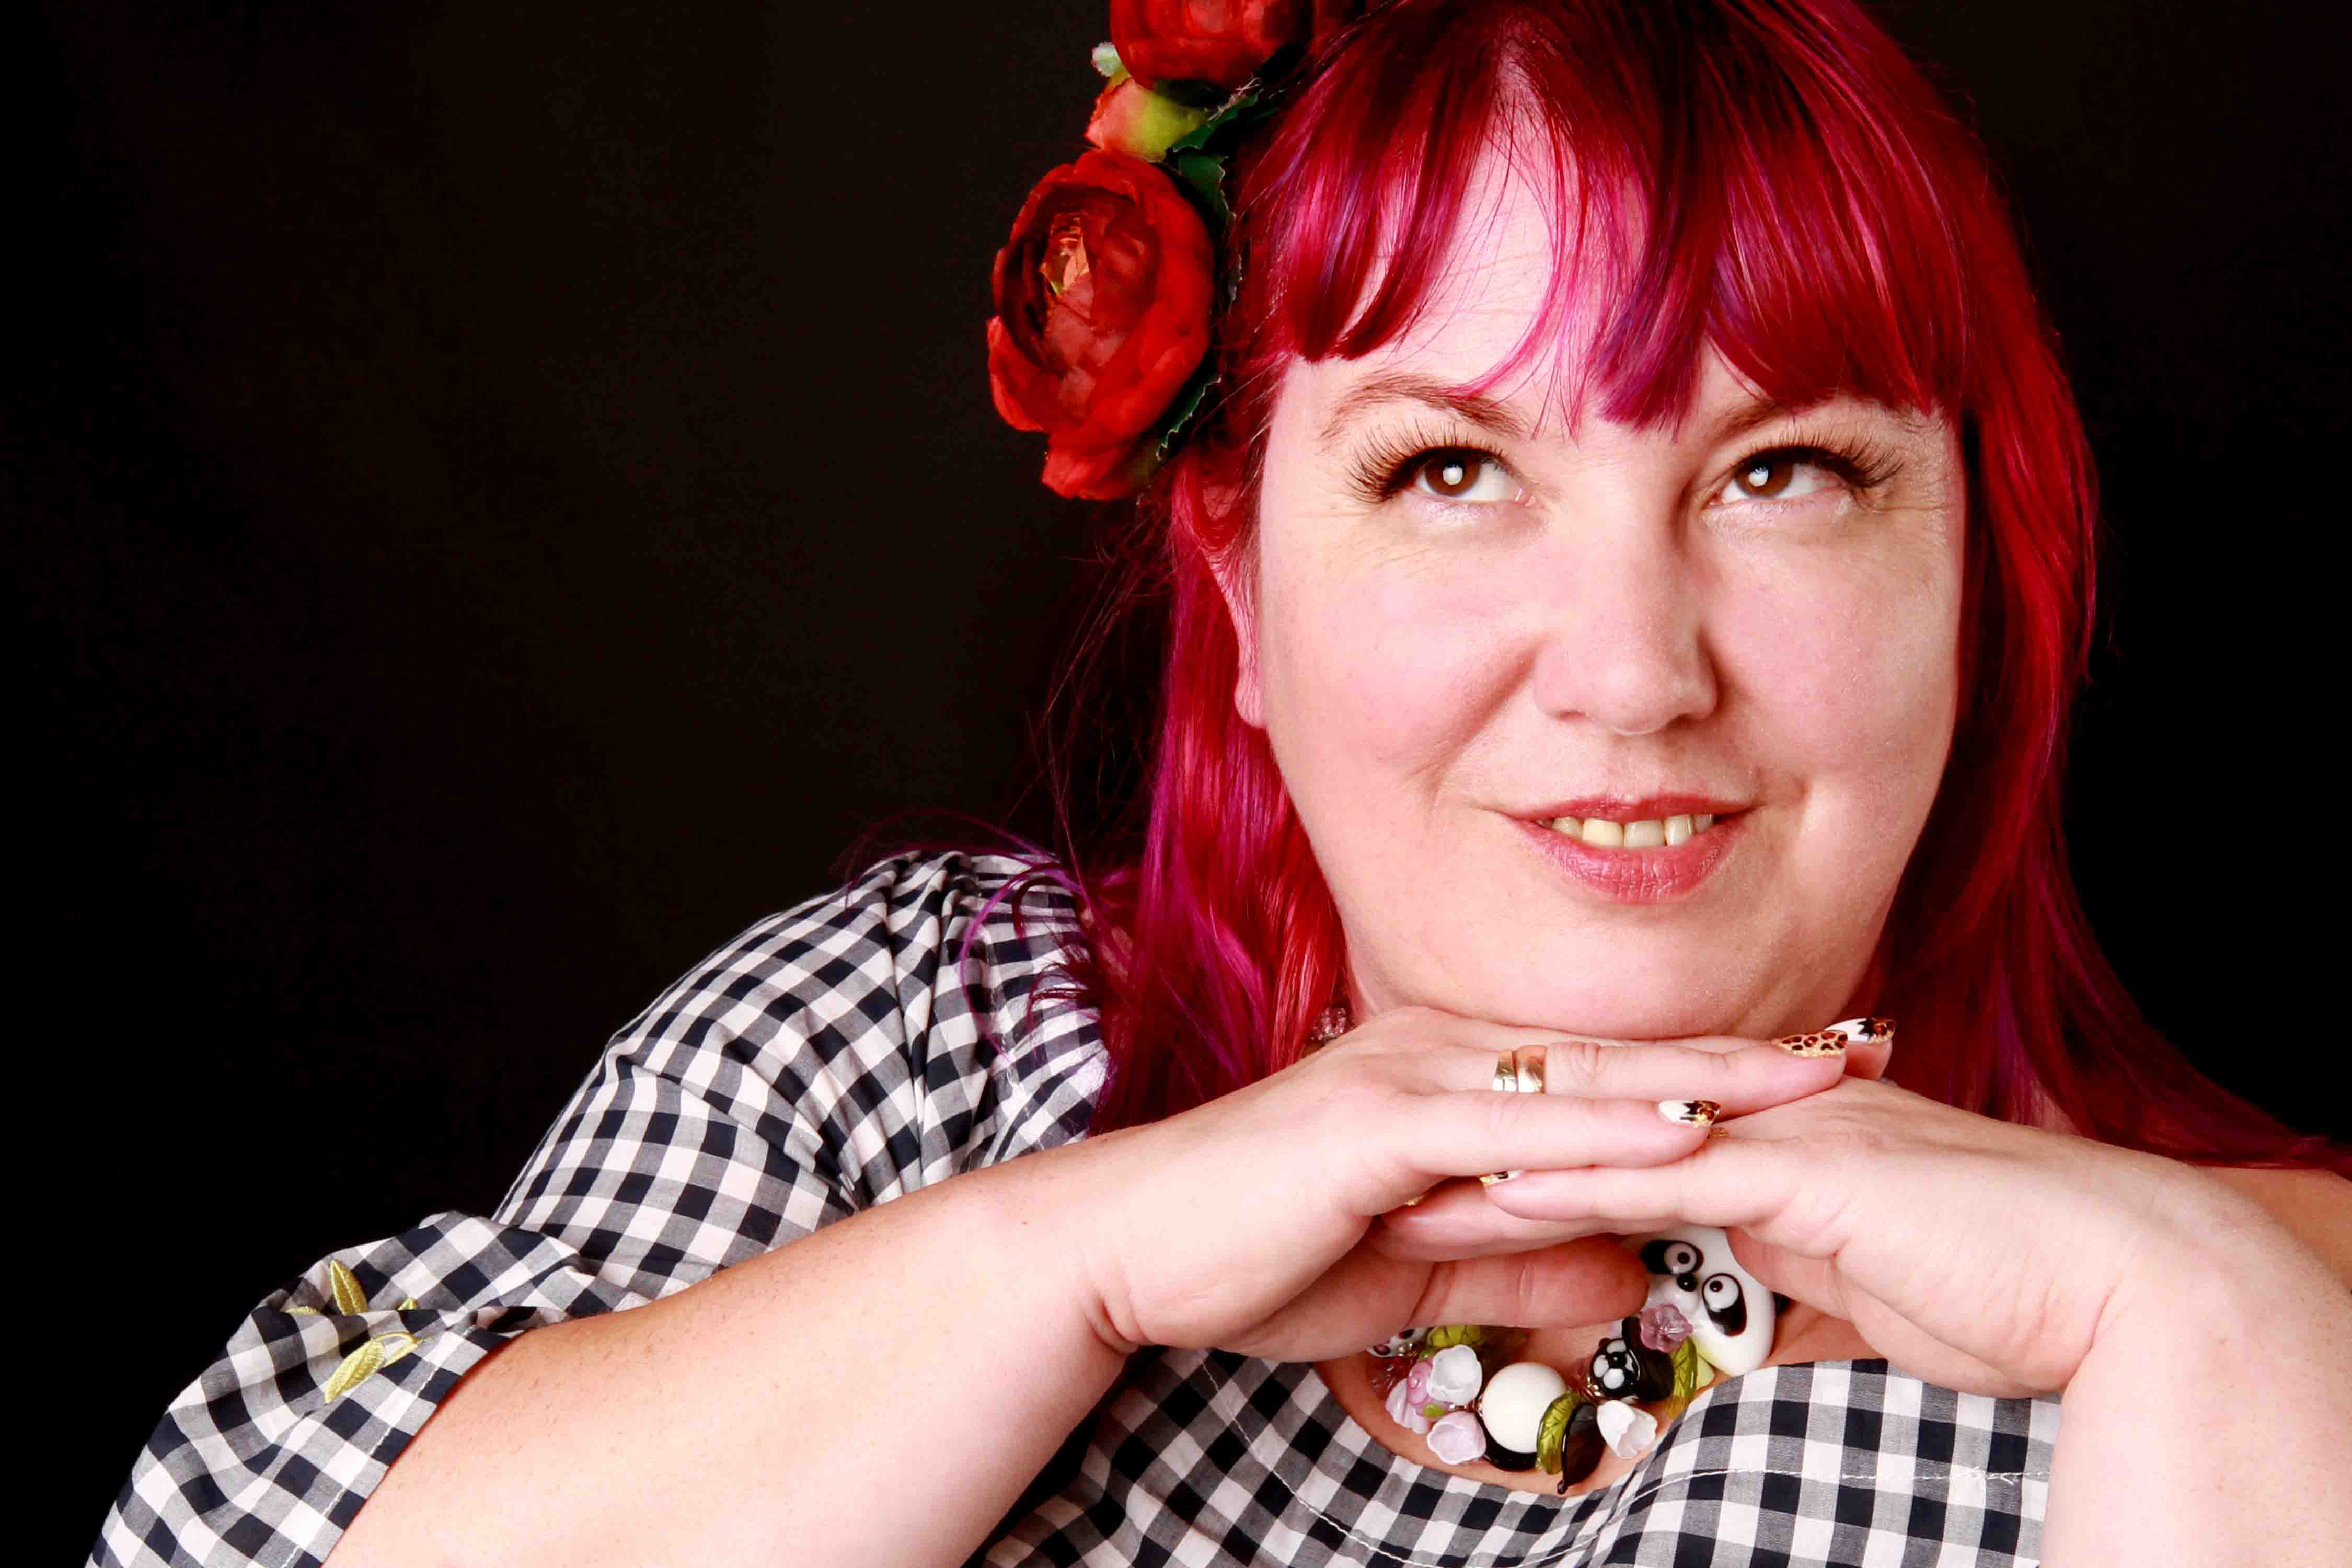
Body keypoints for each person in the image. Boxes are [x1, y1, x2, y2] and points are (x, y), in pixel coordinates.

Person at [93, 2, 2351, 1565]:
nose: (1633, 673)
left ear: (1979, 575)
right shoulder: (914, 1055)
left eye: (1784, 471)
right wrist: (1068, 1261)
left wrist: (2212, 1326)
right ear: (1242, 592)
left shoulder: (2269, 1302)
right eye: (1453, 468)